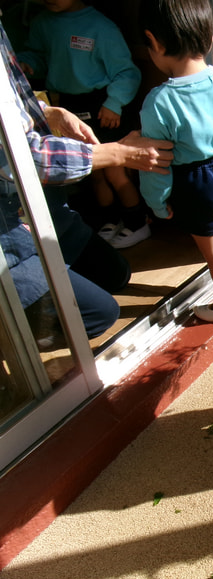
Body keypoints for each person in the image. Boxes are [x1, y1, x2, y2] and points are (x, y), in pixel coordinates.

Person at [0, 20, 173, 343]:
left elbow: (11, 103)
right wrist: (119, 153)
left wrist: (47, 112)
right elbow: (27, 158)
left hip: (41, 209)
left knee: (117, 274)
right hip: (9, 230)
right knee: (99, 315)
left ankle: (61, 268)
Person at [138, 0, 213, 323]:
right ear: (209, 39)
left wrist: (156, 202)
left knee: (212, 251)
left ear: (154, 42)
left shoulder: (159, 102)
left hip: (193, 180)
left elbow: (157, 163)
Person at [17, 0, 152, 249]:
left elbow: (127, 72)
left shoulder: (101, 26)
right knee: (92, 171)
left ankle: (137, 222)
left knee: (114, 169)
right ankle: (110, 221)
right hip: (66, 105)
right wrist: (27, 64)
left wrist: (114, 102)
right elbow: (38, 56)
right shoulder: (41, 23)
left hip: (102, 106)